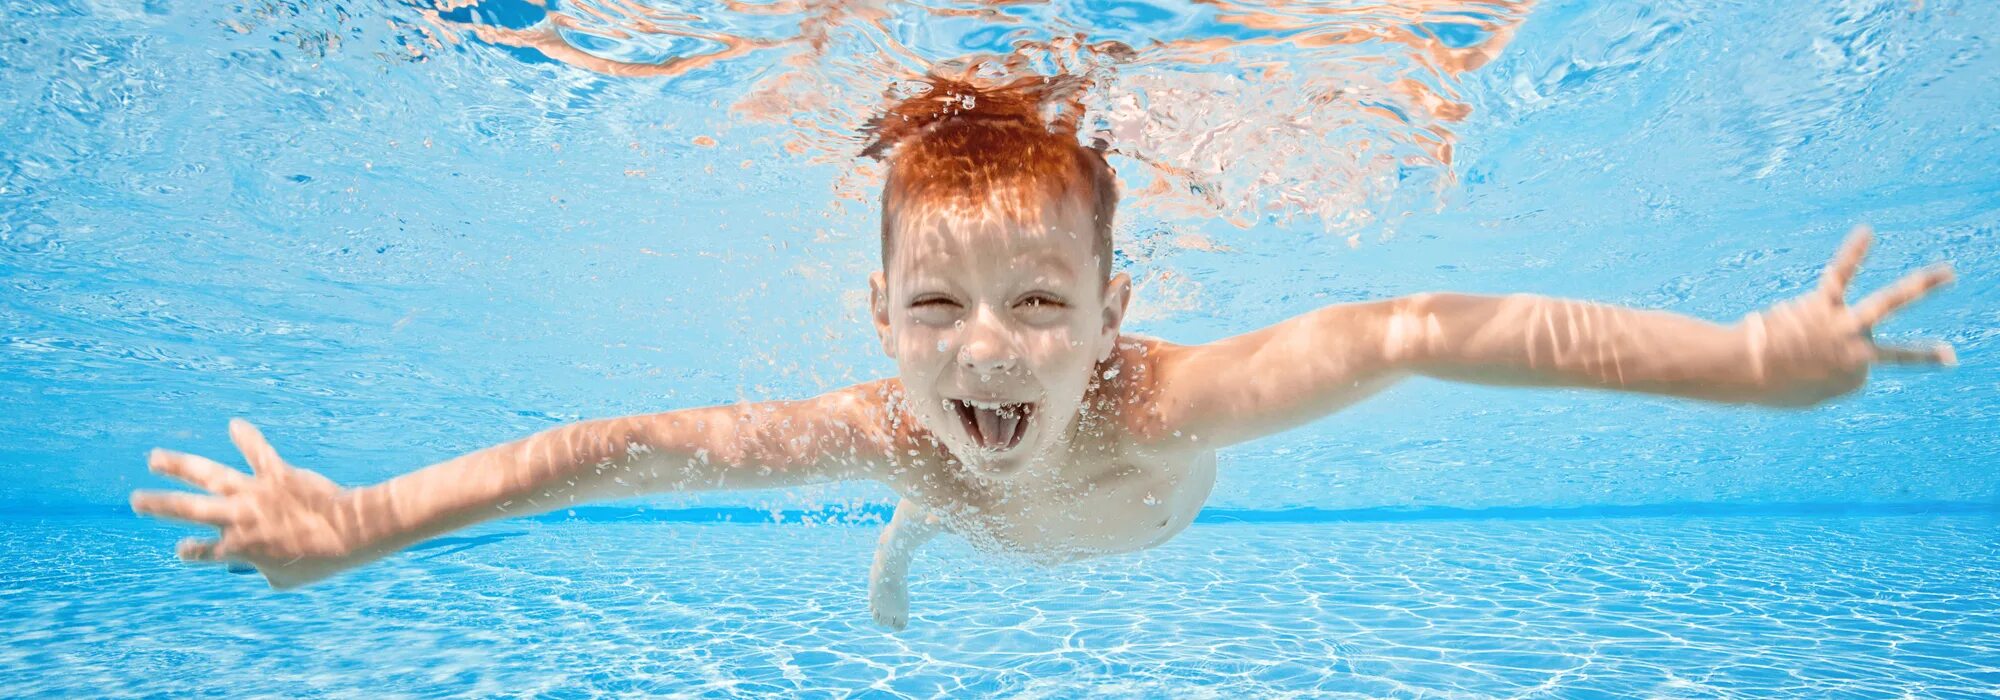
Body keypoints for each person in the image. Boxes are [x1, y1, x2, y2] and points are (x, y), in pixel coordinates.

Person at [129, 74, 1957, 631]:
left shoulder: (1174, 400)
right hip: (949, 495)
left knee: (961, 481)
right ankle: (911, 542)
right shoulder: (887, 417)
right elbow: (596, 453)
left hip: (1142, 508)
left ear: (1112, 318)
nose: (985, 343)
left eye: (1039, 308)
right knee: (935, 490)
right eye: (934, 309)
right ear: (877, 321)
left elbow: (1413, 327)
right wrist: (364, 518)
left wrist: (1743, 361)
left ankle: (922, 535)